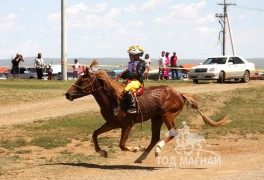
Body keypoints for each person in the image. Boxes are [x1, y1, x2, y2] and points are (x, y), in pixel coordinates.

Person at [120, 45, 146, 114]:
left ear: (136, 56)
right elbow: (129, 75)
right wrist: (122, 75)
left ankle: (133, 107)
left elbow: (137, 74)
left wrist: (127, 72)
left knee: (127, 89)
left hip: (137, 81)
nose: (129, 57)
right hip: (130, 80)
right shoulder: (131, 63)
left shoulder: (141, 63)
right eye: (129, 55)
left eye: (131, 55)